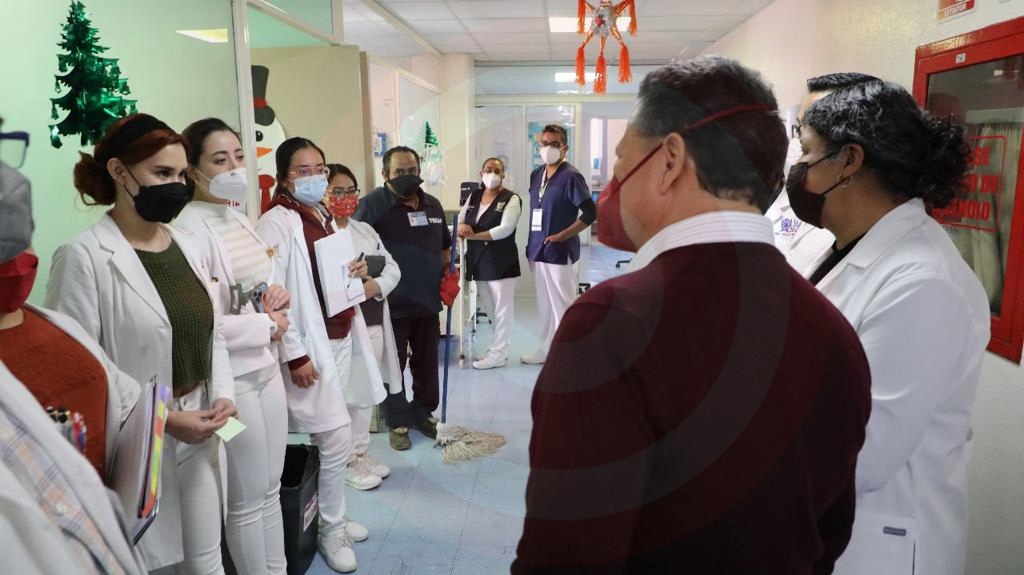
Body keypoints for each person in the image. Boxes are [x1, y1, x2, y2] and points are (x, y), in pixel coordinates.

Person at [513, 56, 873, 573]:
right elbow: (828, 533)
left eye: (622, 160)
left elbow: (565, 556)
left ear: (669, 161)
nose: (613, 182)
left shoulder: (611, 325)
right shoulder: (833, 330)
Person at [794, 80, 989, 575]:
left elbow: (863, 453)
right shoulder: (846, 247)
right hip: (827, 524)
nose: (797, 169)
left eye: (807, 152)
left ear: (849, 161)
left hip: (880, 544)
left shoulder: (923, 283)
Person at [45, 113, 235, 574]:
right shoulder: (83, 257)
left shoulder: (186, 244)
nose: (177, 186)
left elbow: (211, 332)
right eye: (162, 173)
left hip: (201, 424)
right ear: (119, 171)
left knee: (207, 561)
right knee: (155, 564)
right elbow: (80, 370)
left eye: (182, 175)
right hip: (141, 442)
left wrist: (225, 395)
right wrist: (166, 419)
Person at [0, 126, 146, 574]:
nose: (16, 263)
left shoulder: (54, 325)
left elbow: (119, 394)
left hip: (101, 519)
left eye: (19, 242)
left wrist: (168, 420)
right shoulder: (82, 254)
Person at [178, 117, 290, 575]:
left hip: (266, 371)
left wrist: (275, 297)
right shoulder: (187, 229)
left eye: (239, 157)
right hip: (230, 385)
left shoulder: (238, 218)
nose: (234, 168)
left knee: (271, 486)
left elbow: (261, 282)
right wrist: (265, 325)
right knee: (246, 497)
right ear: (193, 169)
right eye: (220, 160)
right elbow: (204, 323)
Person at [255, 138, 368, 573]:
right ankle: (329, 528)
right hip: (307, 346)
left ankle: (331, 515)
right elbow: (271, 295)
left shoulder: (319, 213)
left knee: (337, 437)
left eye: (319, 168)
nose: (315, 176)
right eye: (303, 170)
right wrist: (295, 355)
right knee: (335, 437)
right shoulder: (276, 223)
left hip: (337, 334)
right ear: (284, 177)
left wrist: (355, 270)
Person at [353, 146, 452, 451]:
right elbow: (356, 251)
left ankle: (423, 413)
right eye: (399, 171)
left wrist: (448, 276)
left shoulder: (433, 205)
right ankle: (397, 422)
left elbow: (444, 248)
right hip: (390, 306)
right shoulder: (371, 206)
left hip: (426, 302)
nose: (407, 176)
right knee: (393, 367)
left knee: (426, 363)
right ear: (385, 174)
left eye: (412, 170)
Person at [324, 163, 401, 489]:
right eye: (337, 191)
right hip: (341, 328)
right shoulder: (320, 233)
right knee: (345, 395)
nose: (345, 198)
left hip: (372, 321)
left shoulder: (365, 230)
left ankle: (360, 453)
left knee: (366, 391)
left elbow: (393, 268)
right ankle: (344, 460)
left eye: (351, 191)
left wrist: (374, 285)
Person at [765, 72, 879, 276]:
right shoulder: (804, 198)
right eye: (799, 129)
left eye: (806, 137)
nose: (797, 145)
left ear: (850, 157)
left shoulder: (860, 227)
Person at [521, 124, 594, 365]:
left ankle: (570, 357)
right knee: (545, 306)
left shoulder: (571, 176)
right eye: (544, 143)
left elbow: (590, 212)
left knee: (563, 306)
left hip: (560, 252)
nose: (548, 148)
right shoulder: (536, 174)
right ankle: (545, 350)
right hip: (538, 249)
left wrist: (564, 235)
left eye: (554, 144)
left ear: (565, 148)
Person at [457, 157, 523, 369]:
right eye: (488, 169)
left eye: (497, 170)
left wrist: (473, 236)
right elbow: (461, 218)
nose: (492, 174)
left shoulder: (511, 199)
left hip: (501, 262)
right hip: (479, 261)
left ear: (503, 175)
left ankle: (498, 355)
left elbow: (505, 229)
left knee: (503, 311)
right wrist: (461, 227)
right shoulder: (474, 196)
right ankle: (497, 349)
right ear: (481, 172)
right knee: (491, 309)